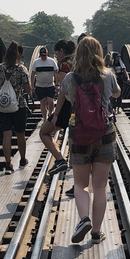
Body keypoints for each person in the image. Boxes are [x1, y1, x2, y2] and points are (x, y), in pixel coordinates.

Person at [52, 35, 120, 244]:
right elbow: (117, 94)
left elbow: (65, 95)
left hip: (80, 133)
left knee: (81, 184)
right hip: (105, 133)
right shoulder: (107, 75)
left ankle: (84, 219)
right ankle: (97, 233)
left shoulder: (70, 78)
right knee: (100, 186)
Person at [0, 40, 32, 174]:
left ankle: (8, 164)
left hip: (3, 105)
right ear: (18, 55)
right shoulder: (21, 69)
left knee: (6, 134)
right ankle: (22, 159)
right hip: (19, 105)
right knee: (20, 134)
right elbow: (28, 89)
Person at [41, 39, 76, 176]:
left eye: (56, 53)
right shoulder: (79, 63)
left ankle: (60, 159)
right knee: (75, 138)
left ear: (62, 51)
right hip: (79, 106)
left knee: (44, 132)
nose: (56, 56)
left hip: (66, 106)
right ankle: (74, 166)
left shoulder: (65, 66)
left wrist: (56, 113)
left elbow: (63, 91)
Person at [30, 46, 59, 121]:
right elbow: (32, 74)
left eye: (45, 55)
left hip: (50, 85)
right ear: (40, 55)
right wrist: (32, 86)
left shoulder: (52, 61)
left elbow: (56, 73)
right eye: (42, 55)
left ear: (47, 54)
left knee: (50, 101)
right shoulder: (36, 62)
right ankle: (44, 118)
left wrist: (57, 84)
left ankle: (50, 114)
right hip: (40, 86)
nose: (43, 57)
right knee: (42, 102)